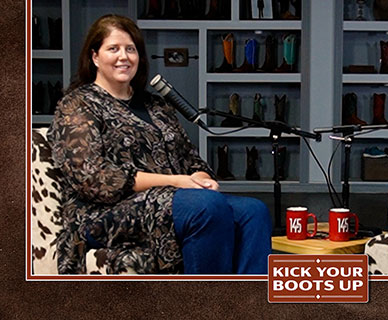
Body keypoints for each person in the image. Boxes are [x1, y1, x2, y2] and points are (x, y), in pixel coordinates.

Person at [48, 14, 271, 275]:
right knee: (207, 207)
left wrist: (200, 176)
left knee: (253, 212)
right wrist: (176, 182)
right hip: (103, 213)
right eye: (113, 49)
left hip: (173, 200)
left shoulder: (157, 105)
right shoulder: (77, 104)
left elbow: (190, 158)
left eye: (131, 49)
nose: (124, 56)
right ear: (95, 57)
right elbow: (93, 179)